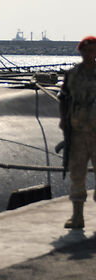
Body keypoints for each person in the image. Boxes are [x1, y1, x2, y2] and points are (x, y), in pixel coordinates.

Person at [59, 35, 96, 229]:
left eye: (92, 50)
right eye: (86, 50)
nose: (89, 54)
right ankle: (77, 217)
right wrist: (63, 121)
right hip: (78, 133)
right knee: (77, 174)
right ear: (81, 52)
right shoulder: (72, 74)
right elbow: (64, 98)